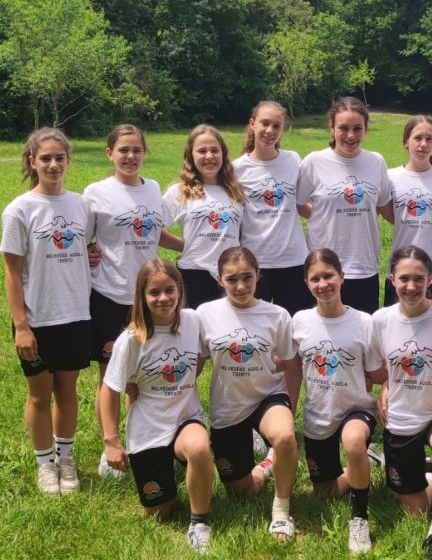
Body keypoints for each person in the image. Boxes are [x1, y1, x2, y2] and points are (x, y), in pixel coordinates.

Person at [83, 124, 180, 479]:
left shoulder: (152, 189)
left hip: (149, 299)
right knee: (111, 376)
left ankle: (143, 442)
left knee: (145, 375)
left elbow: (153, 230)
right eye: (123, 150)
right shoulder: (96, 193)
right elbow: (82, 237)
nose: (130, 156)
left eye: (137, 150)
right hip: (110, 295)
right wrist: (88, 251)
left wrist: (187, 247)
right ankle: (109, 446)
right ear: (110, 153)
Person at [0, 127, 91, 496]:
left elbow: (86, 247)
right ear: (32, 161)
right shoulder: (20, 209)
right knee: (39, 394)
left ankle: (65, 459)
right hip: (38, 319)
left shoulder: (81, 204)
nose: (53, 165)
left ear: (69, 160)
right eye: (46, 158)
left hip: (75, 314)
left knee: (67, 391)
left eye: (59, 158)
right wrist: (21, 325)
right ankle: (44, 464)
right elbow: (11, 272)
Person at [99, 259, 214, 552]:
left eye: (169, 290)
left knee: (200, 448)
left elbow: (201, 356)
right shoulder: (131, 340)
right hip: (148, 428)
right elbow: (109, 390)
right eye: (154, 292)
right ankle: (168, 464)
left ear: (180, 290)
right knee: (159, 514)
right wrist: (111, 442)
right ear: (142, 296)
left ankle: (199, 523)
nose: (163, 298)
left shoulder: (192, 321)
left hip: (186, 418)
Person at [197, 247, 302, 539]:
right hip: (228, 406)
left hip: (267, 396)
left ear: (258, 275)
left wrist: (289, 411)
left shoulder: (277, 315)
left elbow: (293, 366)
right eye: (232, 279)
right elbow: (195, 364)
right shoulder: (205, 314)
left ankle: (281, 512)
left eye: (247, 277)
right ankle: (268, 464)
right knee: (240, 493)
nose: (241, 286)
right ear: (219, 279)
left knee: (284, 437)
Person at [370, 246, 432, 559]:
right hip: (402, 418)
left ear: (430, 280)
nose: (411, 286)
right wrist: (387, 384)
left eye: (418, 278)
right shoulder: (381, 320)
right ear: (391, 280)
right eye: (404, 279)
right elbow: (378, 367)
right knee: (416, 510)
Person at [293, 249, 383, 555]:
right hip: (319, 414)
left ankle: (359, 519)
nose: (323, 284)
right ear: (306, 283)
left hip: (357, 408)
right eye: (315, 278)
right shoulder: (300, 321)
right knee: (325, 493)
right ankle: (367, 462)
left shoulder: (364, 322)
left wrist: (390, 381)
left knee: (353, 440)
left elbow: (376, 370)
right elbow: (290, 365)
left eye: (329, 275)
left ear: (342, 277)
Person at [297, 96, 392, 314]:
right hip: (323, 268)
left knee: (362, 331)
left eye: (358, 128)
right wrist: (322, 216)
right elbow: (298, 203)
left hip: (363, 265)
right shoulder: (314, 162)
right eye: (343, 128)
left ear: (366, 129)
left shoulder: (376, 162)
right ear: (331, 127)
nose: (351, 135)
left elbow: (381, 204)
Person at [234, 100, 310, 316]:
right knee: (257, 325)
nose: (270, 131)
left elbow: (298, 203)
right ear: (252, 124)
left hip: (294, 260)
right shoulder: (237, 168)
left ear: (282, 129)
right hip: (255, 262)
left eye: (276, 126)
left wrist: (324, 217)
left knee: (296, 325)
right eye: (265, 123)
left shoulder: (293, 160)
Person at [162, 125, 245, 309]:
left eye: (215, 150)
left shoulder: (236, 191)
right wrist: (184, 245)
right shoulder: (180, 192)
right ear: (191, 156)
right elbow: (153, 230)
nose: (209, 156)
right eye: (202, 151)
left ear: (223, 154)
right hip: (194, 274)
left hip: (231, 273)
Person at [382, 114, 432, 305]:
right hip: (401, 271)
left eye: (429, 139)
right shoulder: (390, 177)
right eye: (417, 138)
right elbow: (392, 215)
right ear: (406, 141)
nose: (423, 144)